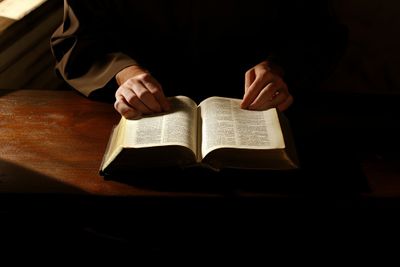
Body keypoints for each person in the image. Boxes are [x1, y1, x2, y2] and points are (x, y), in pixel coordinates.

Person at [51, 0, 346, 119]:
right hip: (142, 116)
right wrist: (124, 73)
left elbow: (319, 32)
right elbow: (76, 37)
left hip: (257, 109)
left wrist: (278, 67)